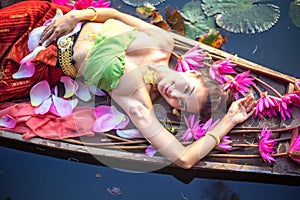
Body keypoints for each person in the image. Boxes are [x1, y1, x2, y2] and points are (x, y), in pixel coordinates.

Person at [0, 1, 256, 169]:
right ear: (192, 75)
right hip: (49, 20)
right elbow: (115, 14)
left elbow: (185, 159)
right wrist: (76, 15)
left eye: (180, 102)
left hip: (35, 64)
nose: (174, 93)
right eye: (185, 88)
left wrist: (228, 121)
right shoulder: (162, 41)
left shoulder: (138, 102)